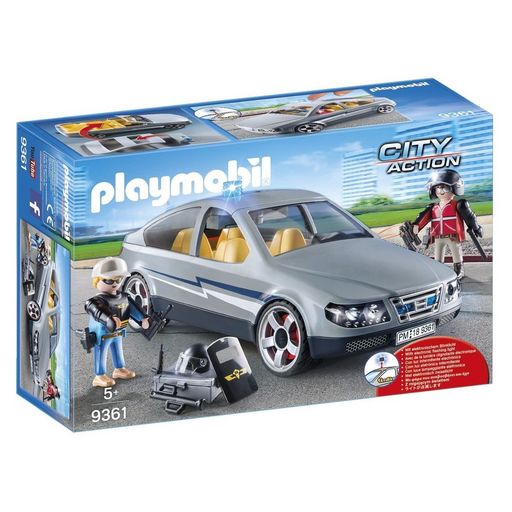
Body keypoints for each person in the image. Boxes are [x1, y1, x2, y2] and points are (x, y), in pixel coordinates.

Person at [85, 257, 150, 388]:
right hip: (103, 333)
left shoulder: (124, 297)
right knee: (101, 351)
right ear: (97, 280)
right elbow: (97, 310)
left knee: (117, 349)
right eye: (109, 280)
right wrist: (109, 318)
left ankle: (119, 368)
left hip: (118, 331)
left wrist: (143, 318)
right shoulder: (95, 301)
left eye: (118, 279)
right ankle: (99, 375)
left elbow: (133, 308)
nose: (114, 283)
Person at [412, 169, 482, 279]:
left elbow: (469, 217)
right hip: (438, 237)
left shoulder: (459, 205)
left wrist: (476, 227)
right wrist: (416, 226)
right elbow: (423, 218)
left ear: (455, 188)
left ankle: (459, 270)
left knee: (456, 253)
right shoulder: (433, 207)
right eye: (437, 188)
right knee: (438, 256)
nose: (440, 191)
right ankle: (439, 271)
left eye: (444, 188)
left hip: (453, 236)